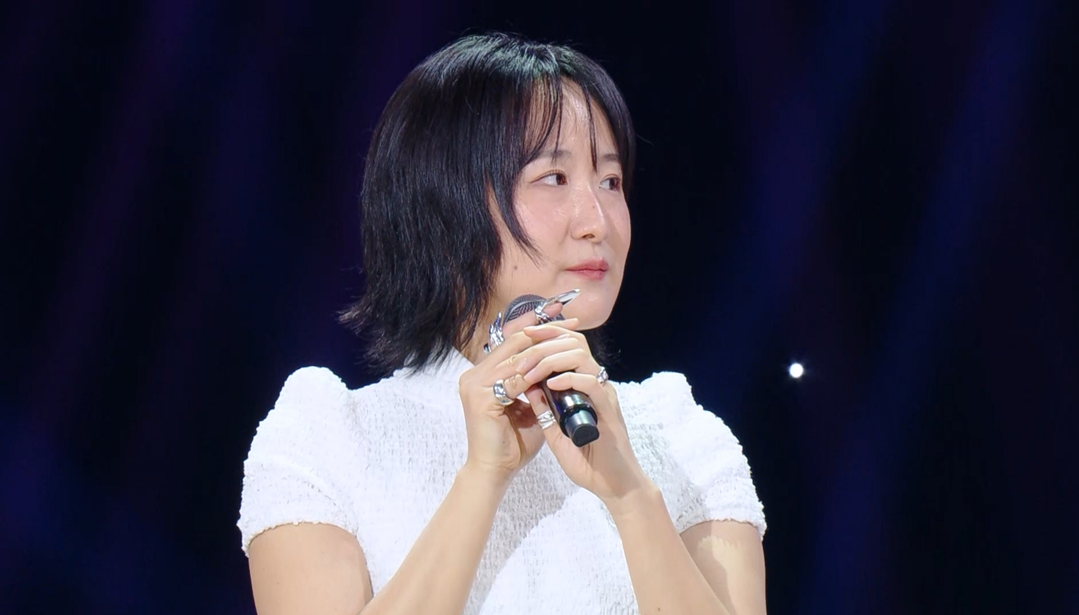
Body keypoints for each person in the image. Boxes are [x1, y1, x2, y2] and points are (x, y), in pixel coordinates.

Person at [237, 32, 767, 615]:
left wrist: (631, 495)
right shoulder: (325, 439)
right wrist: (482, 478)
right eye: (554, 178)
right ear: (446, 204)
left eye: (610, 182)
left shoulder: (683, 439)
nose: (598, 221)